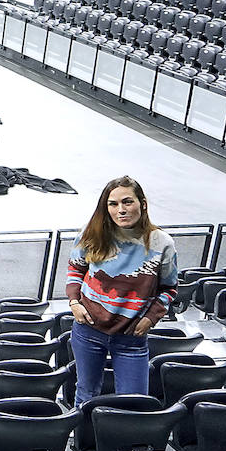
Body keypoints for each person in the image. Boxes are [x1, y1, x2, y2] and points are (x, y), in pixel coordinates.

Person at [67, 175, 177, 410]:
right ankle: (86, 440)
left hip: (131, 338)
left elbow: (169, 288)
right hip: (88, 331)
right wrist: (75, 302)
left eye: (127, 202)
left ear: (142, 204)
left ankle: (126, 446)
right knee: (86, 394)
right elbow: (75, 270)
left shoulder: (161, 243)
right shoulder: (91, 234)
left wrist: (151, 317)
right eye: (113, 204)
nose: (121, 210)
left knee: (135, 403)